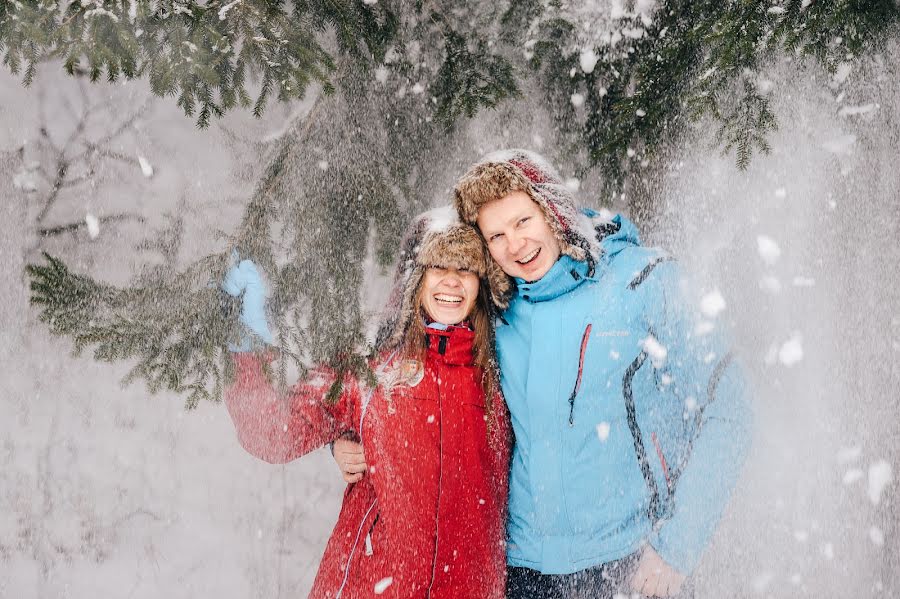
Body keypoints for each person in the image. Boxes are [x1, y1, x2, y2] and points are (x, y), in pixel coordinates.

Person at [335, 150, 752, 598]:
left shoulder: (643, 282)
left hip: (630, 562)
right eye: (496, 235)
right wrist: (351, 430)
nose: (515, 245)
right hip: (526, 572)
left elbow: (730, 410)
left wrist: (678, 546)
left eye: (523, 222)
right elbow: (424, 372)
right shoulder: (496, 308)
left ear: (552, 209)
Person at [222, 206, 513, 599]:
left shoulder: (499, 376)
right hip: (372, 587)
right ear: (416, 277)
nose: (451, 282)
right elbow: (273, 434)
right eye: (437, 266)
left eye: (465, 269)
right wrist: (247, 346)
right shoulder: (370, 368)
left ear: (480, 282)